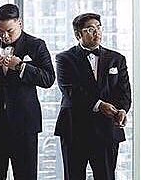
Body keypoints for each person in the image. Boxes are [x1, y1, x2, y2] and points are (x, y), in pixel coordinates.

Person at [0, 3, 56, 180]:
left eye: (9, 31)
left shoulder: (36, 45)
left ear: (19, 24)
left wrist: (22, 67)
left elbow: (48, 79)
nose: (5, 36)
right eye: (0, 31)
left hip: (24, 125)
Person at [55, 12, 131, 180]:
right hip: (74, 128)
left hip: (107, 129)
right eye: (90, 29)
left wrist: (122, 111)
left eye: (98, 28)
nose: (96, 33)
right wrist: (99, 105)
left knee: (106, 176)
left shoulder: (116, 59)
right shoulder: (64, 59)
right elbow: (70, 90)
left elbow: (124, 92)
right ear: (78, 34)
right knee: (73, 176)